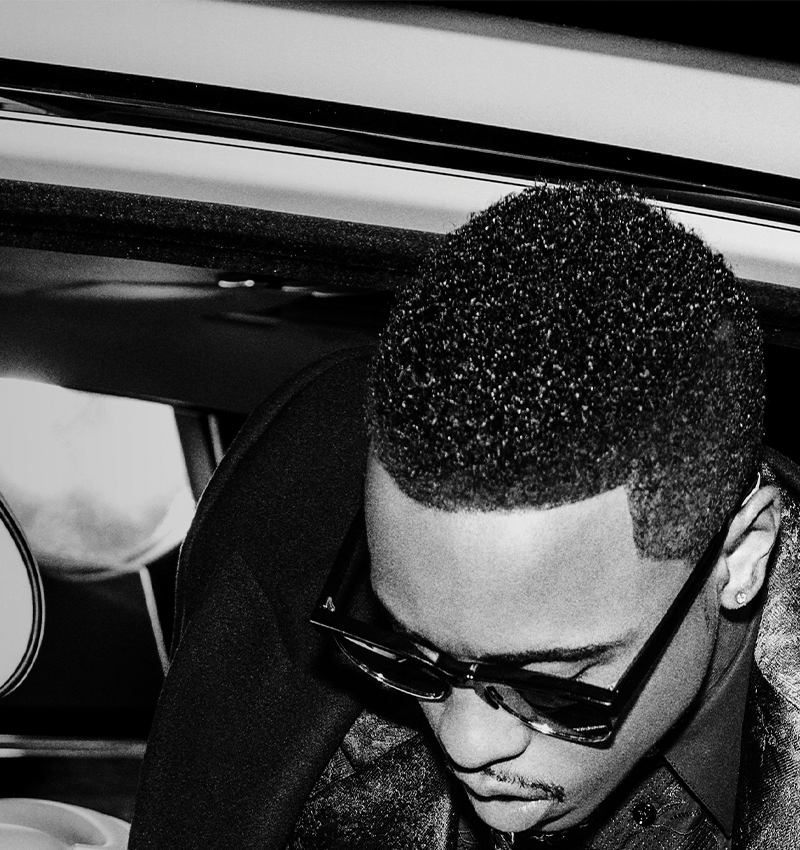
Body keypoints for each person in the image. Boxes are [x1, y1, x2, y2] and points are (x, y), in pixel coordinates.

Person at [129, 182, 800, 849]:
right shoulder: (290, 497)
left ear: (742, 554)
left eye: (551, 687)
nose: (467, 742)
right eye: (409, 652)